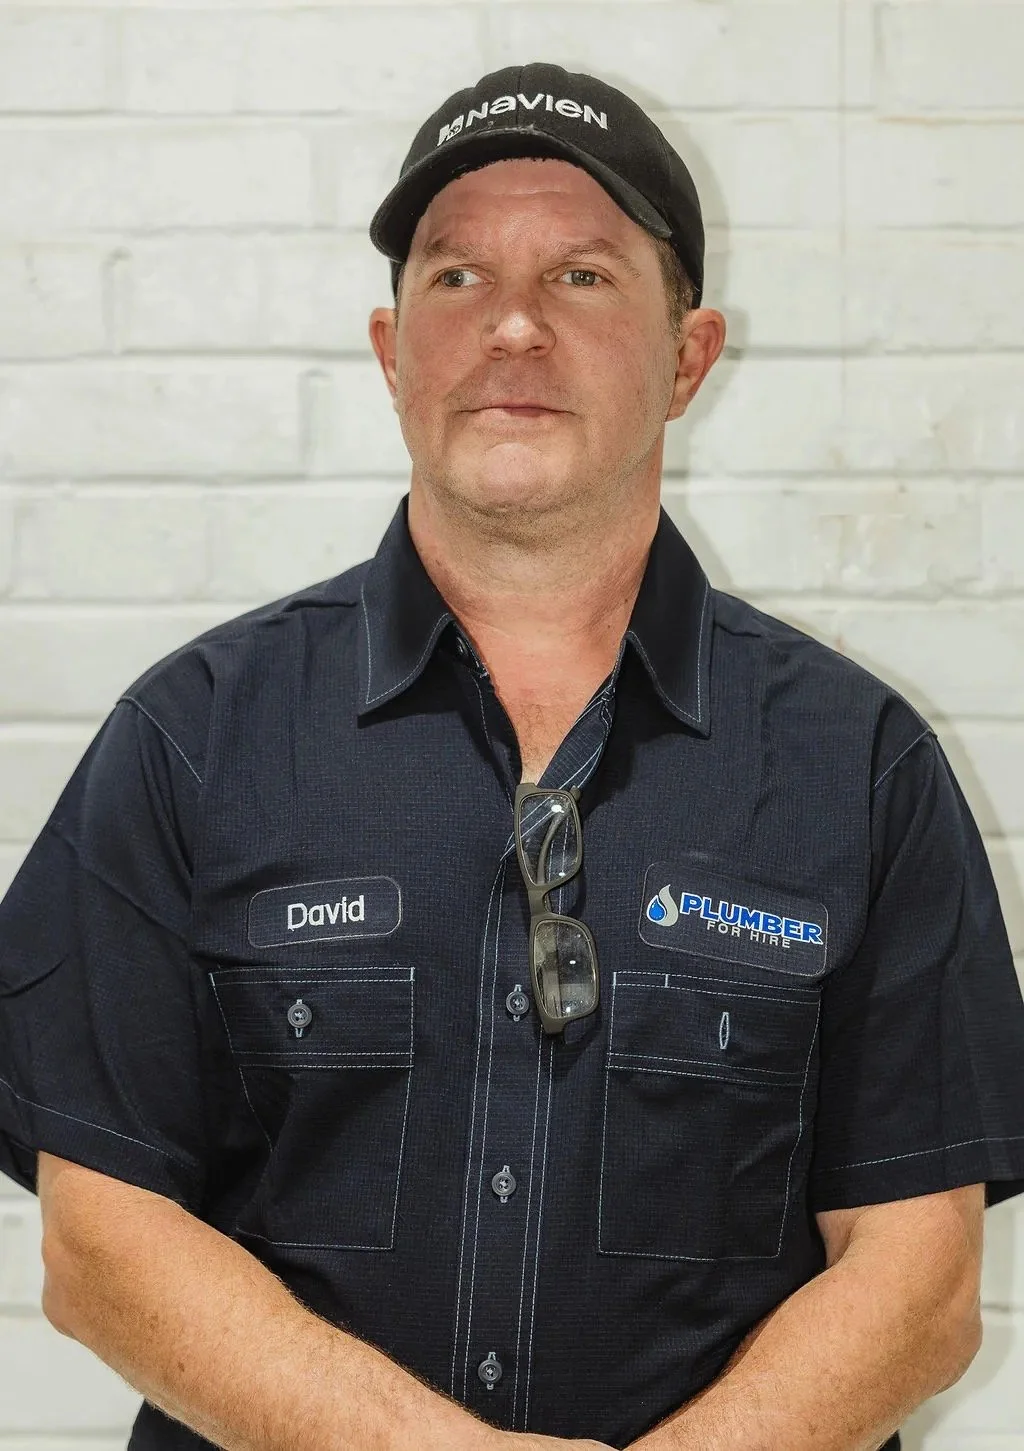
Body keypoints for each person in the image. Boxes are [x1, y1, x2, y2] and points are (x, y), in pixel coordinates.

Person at [1, 59, 1022, 1451]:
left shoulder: (861, 765)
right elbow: (99, 1244)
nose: (515, 329)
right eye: (458, 279)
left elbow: (922, 1284)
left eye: (586, 277)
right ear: (389, 349)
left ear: (688, 356)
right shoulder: (194, 738)